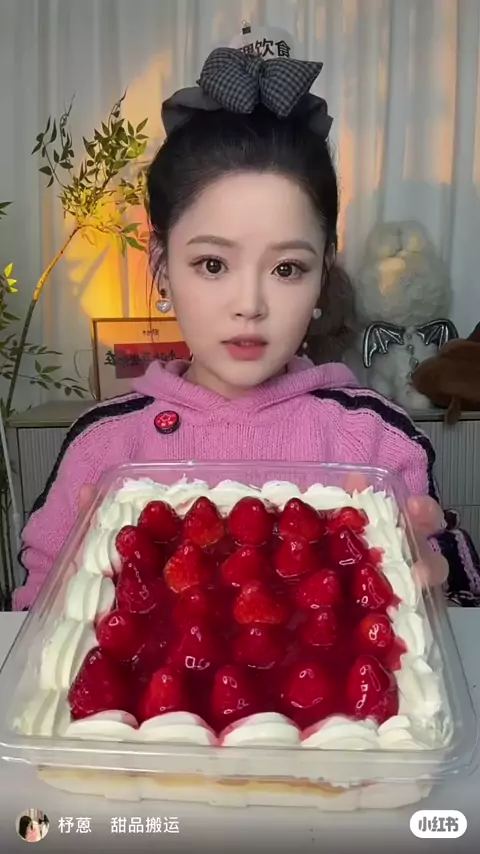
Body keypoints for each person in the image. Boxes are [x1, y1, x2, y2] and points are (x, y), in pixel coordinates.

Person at [13, 47, 480, 611]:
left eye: (287, 269)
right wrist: (69, 594)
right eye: (212, 264)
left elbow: (449, 586)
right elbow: (31, 617)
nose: (250, 305)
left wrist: (441, 578)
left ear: (323, 271)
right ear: (162, 264)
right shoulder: (103, 446)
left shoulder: (376, 439)